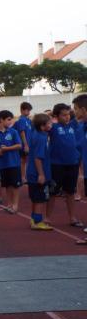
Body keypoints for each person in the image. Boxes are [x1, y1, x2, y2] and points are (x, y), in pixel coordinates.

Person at [47, 103, 82, 227]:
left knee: (70, 192)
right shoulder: (53, 127)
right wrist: (52, 115)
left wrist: (71, 111)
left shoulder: (74, 125)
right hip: (57, 165)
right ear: (57, 116)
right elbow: (44, 120)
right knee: (52, 192)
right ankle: (47, 218)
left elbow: (78, 116)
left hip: (72, 163)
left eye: (68, 115)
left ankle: (72, 217)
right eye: (63, 115)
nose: (67, 117)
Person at [0, 110, 22, 213]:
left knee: (15, 185)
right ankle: (9, 204)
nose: (11, 121)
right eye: (8, 119)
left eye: (11, 119)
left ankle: (15, 205)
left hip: (14, 163)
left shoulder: (13, 132)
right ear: (1, 120)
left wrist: (6, 148)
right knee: (7, 185)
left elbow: (19, 145)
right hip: (3, 164)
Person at [26, 113, 53, 231]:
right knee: (40, 198)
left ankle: (33, 219)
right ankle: (38, 221)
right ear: (42, 126)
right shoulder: (41, 138)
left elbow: (34, 123)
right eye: (49, 123)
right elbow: (38, 157)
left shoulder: (34, 132)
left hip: (31, 172)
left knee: (35, 198)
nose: (51, 125)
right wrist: (41, 174)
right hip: (37, 173)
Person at [72, 95, 87, 242]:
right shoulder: (81, 127)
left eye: (75, 109)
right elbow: (76, 146)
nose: (74, 112)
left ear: (83, 109)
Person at [13, 102, 33, 183]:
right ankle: (22, 177)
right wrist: (25, 145)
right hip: (24, 144)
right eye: (26, 110)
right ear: (21, 110)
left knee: (26, 160)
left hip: (29, 143)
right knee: (23, 161)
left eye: (29, 110)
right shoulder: (22, 120)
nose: (28, 112)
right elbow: (22, 133)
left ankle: (25, 177)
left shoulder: (28, 120)